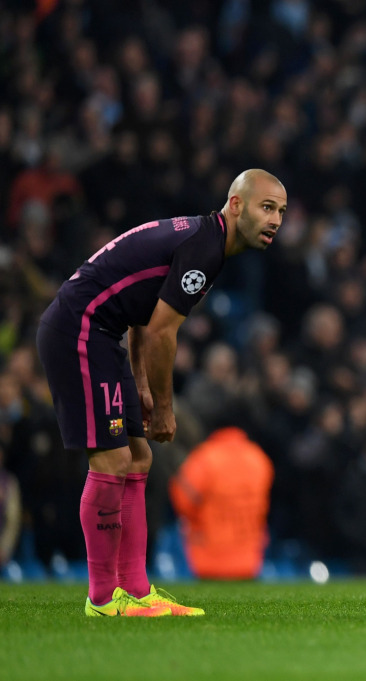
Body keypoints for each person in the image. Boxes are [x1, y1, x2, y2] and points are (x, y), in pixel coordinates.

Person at [35, 169, 287, 616]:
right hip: (81, 327)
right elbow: (161, 335)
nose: (276, 220)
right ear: (235, 205)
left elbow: (140, 311)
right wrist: (165, 409)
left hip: (103, 330)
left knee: (139, 457)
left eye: (282, 212)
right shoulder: (205, 249)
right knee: (112, 459)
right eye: (267, 207)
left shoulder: (201, 237)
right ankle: (102, 599)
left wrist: (141, 382)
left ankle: (135, 590)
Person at [170, 423, 274, 580]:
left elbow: (182, 499)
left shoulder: (203, 458)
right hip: (249, 558)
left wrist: (196, 521)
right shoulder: (258, 457)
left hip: (208, 558)